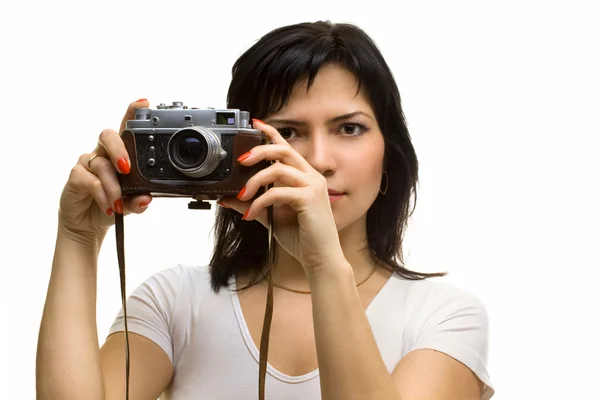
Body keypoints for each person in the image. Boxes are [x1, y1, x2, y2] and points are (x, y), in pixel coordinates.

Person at [36, 20, 495, 399]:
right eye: (287, 132)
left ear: (390, 153)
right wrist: (78, 235)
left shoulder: (444, 317)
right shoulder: (176, 303)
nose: (318, 160)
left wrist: (322, 262)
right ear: (239, 149)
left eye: (349, 129)